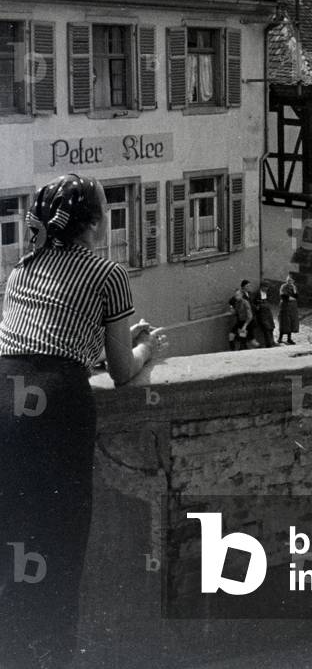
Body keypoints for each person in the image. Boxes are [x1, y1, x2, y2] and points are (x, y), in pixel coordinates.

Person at [0, 173, 166, 669]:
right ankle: (49, 657)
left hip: (4, 392)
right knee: (57, 539)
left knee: (10, 538)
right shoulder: (107, 274)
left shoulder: (20, 270)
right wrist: (146, 348)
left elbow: (41, 341)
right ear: (96, 221)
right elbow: (120, 371)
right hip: (55, 405)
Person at [229, 279, 254, 351]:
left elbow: (249, 316)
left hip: (245, 322)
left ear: (241, 295)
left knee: (244, 339)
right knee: (231, 335)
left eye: (238, 295)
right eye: (235, 295)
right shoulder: (237, 303)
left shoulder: (245, 302)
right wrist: (232, 309)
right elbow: (235, 311)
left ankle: (242, 350)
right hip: (240, 322)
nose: (236, 296)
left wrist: (245, 326)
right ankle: (233, 350)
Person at [251, 284, 276, 348]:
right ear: (262, 287)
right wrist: (257, 307)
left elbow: (269, 300)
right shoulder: (257, 294)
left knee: (271, 327)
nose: (266, 289)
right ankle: (269, 343)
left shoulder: (267, 293)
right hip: (262, 313)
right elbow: (252, 302)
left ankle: (272, 342)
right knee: (266, 328)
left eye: (267, 287)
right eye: (265, 287)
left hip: (268, 312)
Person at [278, 272, 299, 345]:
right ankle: (280, 338)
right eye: (288, 280)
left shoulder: (294, 287)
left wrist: (294, 290)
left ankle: (289, 339)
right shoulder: (283, 286)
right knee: (284, 322)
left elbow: (296, 296)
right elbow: (283, 296)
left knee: (291, 322)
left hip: (292, 307)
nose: (289, 281)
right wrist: (292, 298)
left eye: (291, 280)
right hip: (285, 306)